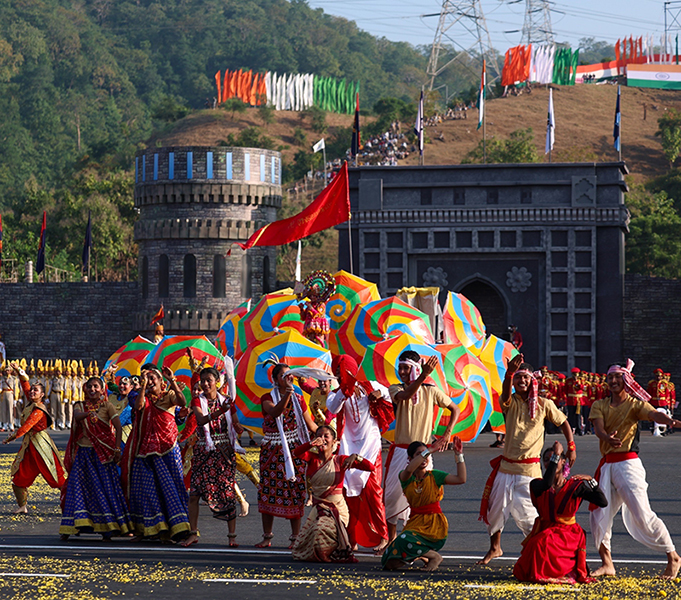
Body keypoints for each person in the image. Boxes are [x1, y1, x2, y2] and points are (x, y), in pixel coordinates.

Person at [478, 354, 575, 564]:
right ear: (513, 381)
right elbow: (504, 395)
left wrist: (572, 446)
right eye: (518, 378)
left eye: (526, 378)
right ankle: (495, 548)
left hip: (529, 472)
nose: (522, 381)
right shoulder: (509, 401)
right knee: (495, 511)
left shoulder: (544, 403)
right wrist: (508, 374)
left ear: (533, 381)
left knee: (531, 517)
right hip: (505, 468)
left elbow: (564, 422)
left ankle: (538, 552)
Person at [589, 360, 681, 579]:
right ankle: (607, 563)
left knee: (642, 515)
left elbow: (653, 415)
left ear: (626, 380)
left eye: (617, 377)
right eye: (610, 377)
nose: (612, 381)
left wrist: (669, 421)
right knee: (598, 515)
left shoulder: (634, 404)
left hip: (628, 465)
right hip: (607, 465)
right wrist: (605, 438)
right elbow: (599, 428)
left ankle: (673, 557)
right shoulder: (599, 405)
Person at [386, 351, 460, 543]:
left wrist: (447, 433)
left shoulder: (431, 390)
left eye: (406, 368)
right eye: (400, 367)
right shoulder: (395, 388)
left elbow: (455, 409)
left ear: (415, 368)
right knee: (392, 496)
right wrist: (422, 376)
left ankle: (414, 536)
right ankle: (391, 539)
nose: (401, 372)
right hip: (401, 450)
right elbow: (406, 395)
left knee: (422, 497)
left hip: (424, 451)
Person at [513, 441, 607, 584]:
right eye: (547, 460)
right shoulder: (537, 484)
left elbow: (602, 501)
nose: (550, 462)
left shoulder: (575, 487)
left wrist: (592, 481)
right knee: (525, 564)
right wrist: (556, 456)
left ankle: (562, 571)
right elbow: (547, 483)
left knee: (540, 543)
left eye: (554, 459)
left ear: (564, 461)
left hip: (567, 533)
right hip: (547, 528)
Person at [326, 355, 392, 553]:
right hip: (348, 447)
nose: (338, 375)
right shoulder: (336, 394)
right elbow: (332, 407)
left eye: (341, 371)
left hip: (370, 446)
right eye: (336, 372)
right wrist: (344, 392)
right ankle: (351, 539)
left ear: (350, 370)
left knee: (373, 492)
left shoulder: (369, 386)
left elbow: (389, 394)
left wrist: (379, 394)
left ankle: (383, 536)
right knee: (349, 497)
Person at [121, 363, 190, 542]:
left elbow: (182, 402)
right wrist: (143, 387)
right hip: (146, 449)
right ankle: (148, 530)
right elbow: (138, 406)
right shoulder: (144, 397)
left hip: (167, 448)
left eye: (153, 378)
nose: (149, 380)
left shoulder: (168, 395)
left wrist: (171, 380)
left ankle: (175, 529)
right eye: (146, 378)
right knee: (146, 490)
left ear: (161, 381)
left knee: (169, 488)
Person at [60, 376, 131, 540]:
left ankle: (108, 528)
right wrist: (88, 413)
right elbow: (77, 416)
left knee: (103, 489)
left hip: (103, 454)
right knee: (77, 488)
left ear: (101, 390)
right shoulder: (79, 405)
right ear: (85, 388)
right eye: (90, 387)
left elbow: (118, 427)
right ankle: (71, 527)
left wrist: (117, 449)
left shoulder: (108, 406)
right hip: (83, 454)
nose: (93, 390)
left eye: (96, 387)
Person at [180, 367, 244, 548]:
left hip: (223, 452)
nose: (206, 383)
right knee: (194, 494)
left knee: (227, 491)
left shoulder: (227, 402)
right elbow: (201, 420)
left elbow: (235, 421)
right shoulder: (197, 401)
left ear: (218, 382)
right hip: (203, 451)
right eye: (203, 380)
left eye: (209, 380)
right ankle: (193, 533)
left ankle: (232, 536)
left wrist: (239, 428)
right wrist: (219, 412)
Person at [382, 437, 466, 571]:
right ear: (409, 458)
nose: (425, 457)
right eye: (419, 454)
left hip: (433, 525)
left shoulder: (434, 476)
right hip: (415, 523)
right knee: (388, 561)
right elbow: (409, 469)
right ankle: (422, 555)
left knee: (404, 540)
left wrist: (458, 454)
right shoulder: (405, 477)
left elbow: (461, 479)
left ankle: (434, 557)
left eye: (426, 454)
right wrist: (430, 449)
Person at [256, 362, 317, 548]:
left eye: (289, 374)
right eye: (283, 375)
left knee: (295, 491)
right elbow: (275, 412)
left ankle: (295, 537)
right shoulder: (267, 397)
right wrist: (289, 394)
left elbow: (310, 425)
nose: (288, 378)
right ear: (275, 380)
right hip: (272, 451)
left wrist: (327, 434)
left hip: (294, 449)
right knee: (268, 491)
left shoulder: (299, 399)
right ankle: (267, 537)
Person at [291, 425, 374, 563]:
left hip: (337, 509)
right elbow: (297, 453)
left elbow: (370, 467)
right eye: (319, 436)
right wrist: (310, 443)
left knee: (319, 529)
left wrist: (356, 457)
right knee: (300, 548)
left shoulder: (340, 460)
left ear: (334, 442)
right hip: (318, 509)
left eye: (326, 436)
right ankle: (329, 548)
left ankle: (327, 554)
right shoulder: (312, 458)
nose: (322, 439)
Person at [2, 362, 66, 513]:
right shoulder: (31, 403)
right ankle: (22, 506)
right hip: (30, 446)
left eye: (35, 391)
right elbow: (25, 384)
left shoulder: (39, 410)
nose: (32, 392)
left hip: (41, 445)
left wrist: (10, 438)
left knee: (56, 475)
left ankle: (71, 503)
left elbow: (26, 427)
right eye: (32, 391)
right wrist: (18, 370)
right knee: (20, 475)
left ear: (42, 395)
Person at [0, 366, 17, 432]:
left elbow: (15, 388)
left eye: (8, 370)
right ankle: (4, 424)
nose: (7, 371)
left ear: (10, 371)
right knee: (3, 409)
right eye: (6, 370)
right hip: (3, 394)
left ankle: (11, 424)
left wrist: (15, 398)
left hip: (10, 393)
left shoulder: (13, 378)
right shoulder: (2, 378)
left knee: (10, 409)